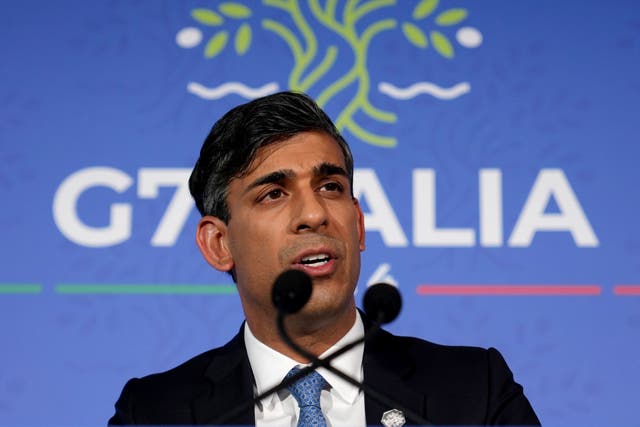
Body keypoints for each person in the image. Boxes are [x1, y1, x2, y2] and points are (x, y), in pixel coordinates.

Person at [109, 91, 540, 426]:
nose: (314, 214)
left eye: (330, 187)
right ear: (218, 244)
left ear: (358, 224)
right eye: (273, 194)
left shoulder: (472, 390)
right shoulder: (155, 412)